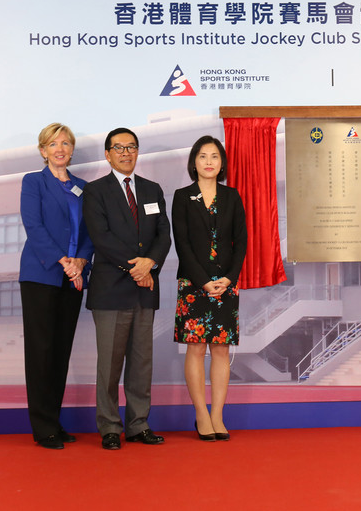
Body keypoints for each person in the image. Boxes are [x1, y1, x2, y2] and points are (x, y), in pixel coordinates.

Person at [83, 127, 172, 450]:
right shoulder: (95, 191)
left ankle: (138, 424)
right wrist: (138, 268)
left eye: (131, 147)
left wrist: (150, 263)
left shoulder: (152, 189)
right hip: (111, 290)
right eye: (118, 148)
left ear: (137, 152)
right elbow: (101, 237)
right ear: (107, 155)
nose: (125, 152)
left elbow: (164, 234)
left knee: (141, 362)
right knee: (109, 363)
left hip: (145, 289)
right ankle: (109, 426)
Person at [19, 123, 94, 450]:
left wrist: (81, 261)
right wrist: (64, 261)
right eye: (53, 144)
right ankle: (43, 426)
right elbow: (33, 227)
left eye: (65, 143)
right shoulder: (33, 182)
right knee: (41, 352)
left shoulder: (83, 187)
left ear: (72, 150)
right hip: (42, 274)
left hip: (74, 277)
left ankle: (54, 420)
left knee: (61, 351)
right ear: (43, 150)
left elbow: (91, 232)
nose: (60, 148)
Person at [172, 136, 247, 441]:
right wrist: (203, 280)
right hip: (193, 283)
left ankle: (217, 415)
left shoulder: (232, 196)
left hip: (226, 283)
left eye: (214, 157)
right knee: (196, 347)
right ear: (194, 162)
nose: (208, 162)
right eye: (202, 156)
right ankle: (201, 415)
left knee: (220, 349)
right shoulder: (182, 196)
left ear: (221, 163)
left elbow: (240, 241)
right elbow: (183, 243)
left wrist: (229, 278)